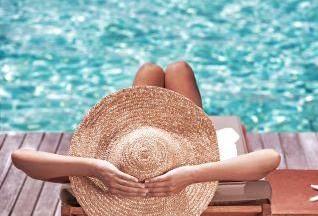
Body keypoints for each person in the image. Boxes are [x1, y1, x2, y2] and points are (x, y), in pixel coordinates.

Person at [11, 61, 281, 198]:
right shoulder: (197, 168)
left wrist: (95, 167)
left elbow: (21, 157)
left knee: (150, 71)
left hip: (139, 138)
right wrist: (191, 174)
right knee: (178, 69)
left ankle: (149, 117)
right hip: (184, 146)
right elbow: (270, 158)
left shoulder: (113, 172)